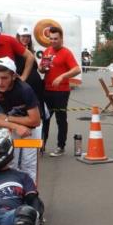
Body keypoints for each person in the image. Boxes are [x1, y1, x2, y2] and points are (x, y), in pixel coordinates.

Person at [0, 57, 41, 182]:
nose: (0, 82)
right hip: (11, 125)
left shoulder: (25, 89)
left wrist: (7, 118)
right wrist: (15, 126)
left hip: (31, 129)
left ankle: (30, 194)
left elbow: (35, 121)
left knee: (28, 164)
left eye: (4, 78)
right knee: (9, 161)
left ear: (13, 76)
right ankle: (10, 192)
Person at [40, 26, 81, 157]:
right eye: (51, 39)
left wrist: (62, 76)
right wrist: (41, 68)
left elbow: (77, 69)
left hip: (61, 92)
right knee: (44, 119)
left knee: (60, 119)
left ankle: (60, 146)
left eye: (56, 39)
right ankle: (41, 145)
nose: (53, 41)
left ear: (61, 39)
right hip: (46, 90)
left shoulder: (66, 52)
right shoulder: (47, 51)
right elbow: (42, 69)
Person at [15, 25, 47, 125]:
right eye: (23, 36)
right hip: (24, 87)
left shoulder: (30, 51)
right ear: (18, 37)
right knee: (26, 112)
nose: (26, 39)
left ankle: (41, 137)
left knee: (39, 112)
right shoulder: (15, 52)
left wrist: (43, 68)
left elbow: (36, 69)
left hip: (36, 87)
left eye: (28, 36)